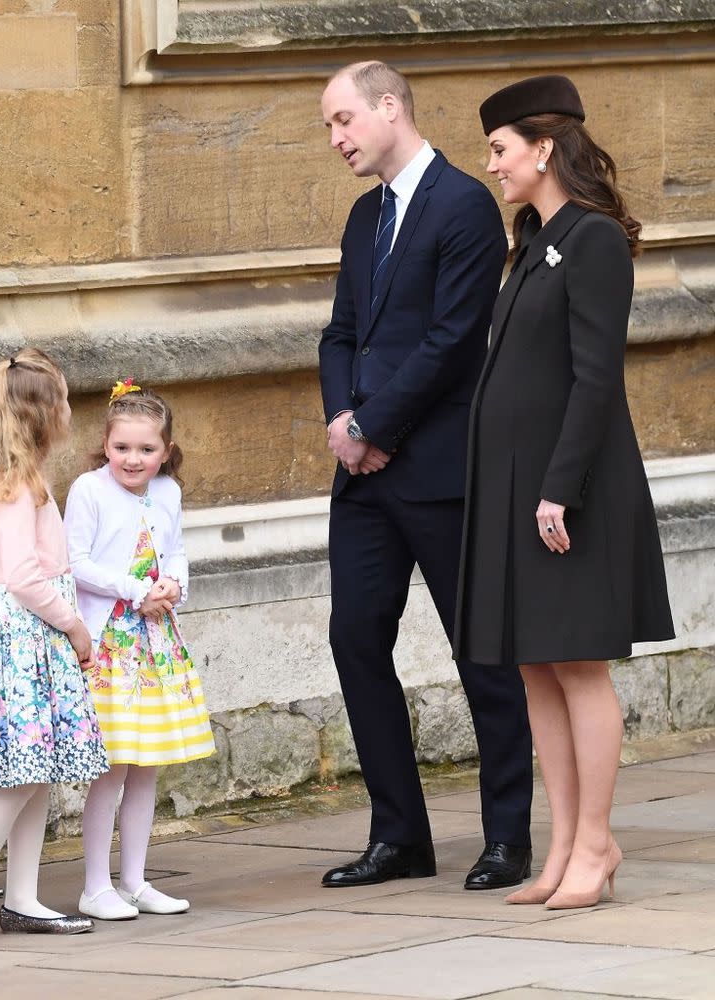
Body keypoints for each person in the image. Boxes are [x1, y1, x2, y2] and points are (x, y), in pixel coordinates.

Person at [454, 75, 675, 909]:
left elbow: (594, 378)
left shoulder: (591, 240)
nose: (494, 165)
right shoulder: (534, 239)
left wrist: (557, 489)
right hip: (522, 491)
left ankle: (597, 843)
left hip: (568, 491)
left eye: (501, 150)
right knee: (536, 669)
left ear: (543, 148)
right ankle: (564, 845)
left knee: (578, 667)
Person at [318, 61, 533, 890]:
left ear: (389, 106)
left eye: (343, 120)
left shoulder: (465, 206)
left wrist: (373, 425)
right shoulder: (364, 215)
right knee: (355, 639)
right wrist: (345, 425)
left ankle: (506, 837)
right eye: (329, 127)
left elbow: (452, 343)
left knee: (482, 656)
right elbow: (341, 333)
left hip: (442, 473)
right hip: (365, 481)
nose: (336, 139)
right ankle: (400, 835)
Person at [0, 349, 108, 946]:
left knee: (35, 774)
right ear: (42, 414)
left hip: (27, 634)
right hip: (28, 634)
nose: (68, 408)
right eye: (62, 398)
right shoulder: (18, 483)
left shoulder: (18, 476)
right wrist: (75, 626)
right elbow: (22, 575)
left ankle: (22, 898)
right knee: (17, 777)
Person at [65, 382, 215, 921]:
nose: (133, 459)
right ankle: (94, 885)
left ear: (166, 451)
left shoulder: (168, 492)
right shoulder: (87, 489)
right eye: (122, 447)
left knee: (146, 765)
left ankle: (134, 879)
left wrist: (173, 584)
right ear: (105, 444)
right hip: (111, 643)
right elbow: (75, 561)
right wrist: (134, 590)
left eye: (146, 450)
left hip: (156, 641)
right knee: (112, 766)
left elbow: (174, 549)